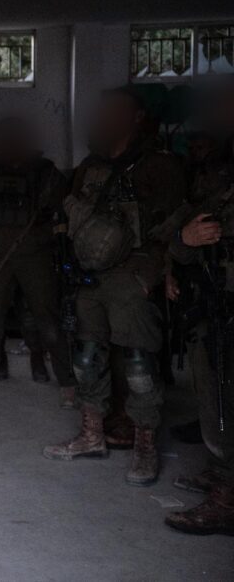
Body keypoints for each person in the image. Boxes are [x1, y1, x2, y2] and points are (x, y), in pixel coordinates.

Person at [43, 88, 185, 486]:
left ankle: (144, 445)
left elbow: (175, 225)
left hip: (132, 274)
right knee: (87, 358)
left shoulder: (160, 166)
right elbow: (69, 217)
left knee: (139, 363)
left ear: (138, 116)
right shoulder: (90, 165)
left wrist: (153, 273)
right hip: (90, 276)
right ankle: (92, 434)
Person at [0, 117, 75, 400]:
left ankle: (68, 383)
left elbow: (66, 215)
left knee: (47, 318)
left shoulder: (47, 174)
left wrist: (39, 238)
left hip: (36, 256)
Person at [162, 87, 234, 535]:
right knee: (216, 398)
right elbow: (182, 234)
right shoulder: (214, 179)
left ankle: (226, 497)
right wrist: (181, 248)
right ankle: (224, 480)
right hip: (216, 305)